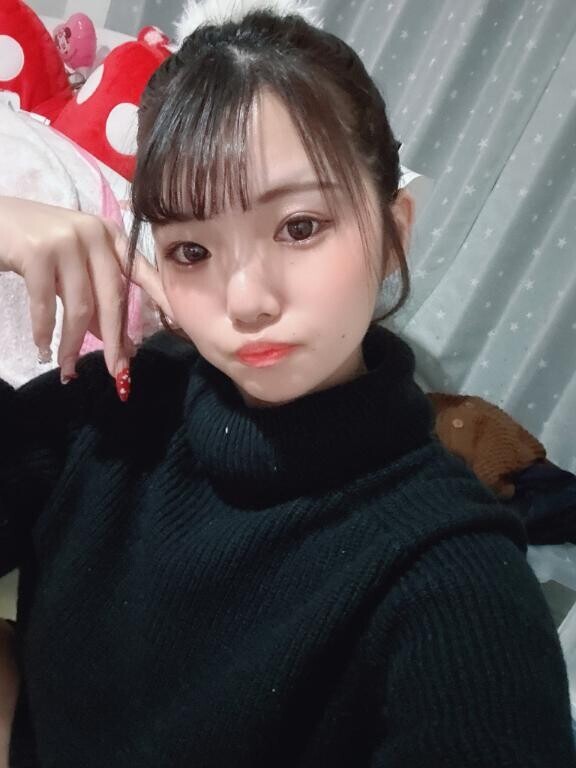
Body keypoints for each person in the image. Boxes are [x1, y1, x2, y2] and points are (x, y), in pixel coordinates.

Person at [0, 8, 574, 767]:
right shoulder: (109, 411)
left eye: (299, 227)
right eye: (192, 249)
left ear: (394, 231)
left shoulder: (452, 581)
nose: (247, 301)